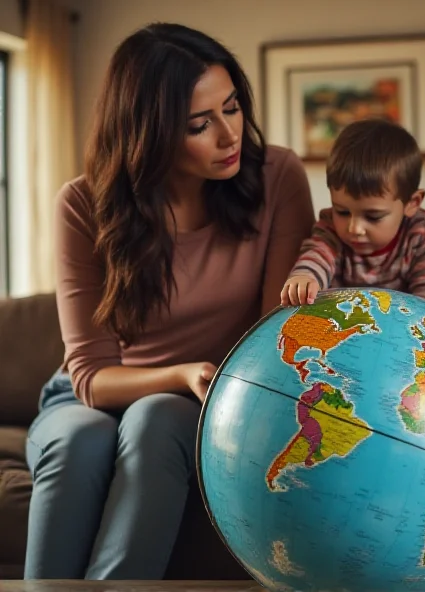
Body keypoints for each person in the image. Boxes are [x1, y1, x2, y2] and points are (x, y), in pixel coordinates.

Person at [24, 23, 315, 580]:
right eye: (199, 125)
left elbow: (277, 336)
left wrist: (194, 385)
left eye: (232, 109)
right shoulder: (82, 205)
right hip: (91, 397)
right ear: (149, 132)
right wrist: (180, 373)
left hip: (210, 398)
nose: (230, 136)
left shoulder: (277, 176)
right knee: (79, 439)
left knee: (160, 417)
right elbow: (89, 377)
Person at [281, 118, 425, 308]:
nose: (355, 228)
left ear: (412, 203)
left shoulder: (423, 233)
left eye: (373, 216)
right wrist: (305, 277)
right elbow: (317, 255)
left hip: (403, 333)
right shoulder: (330, 229)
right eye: (342, 212)